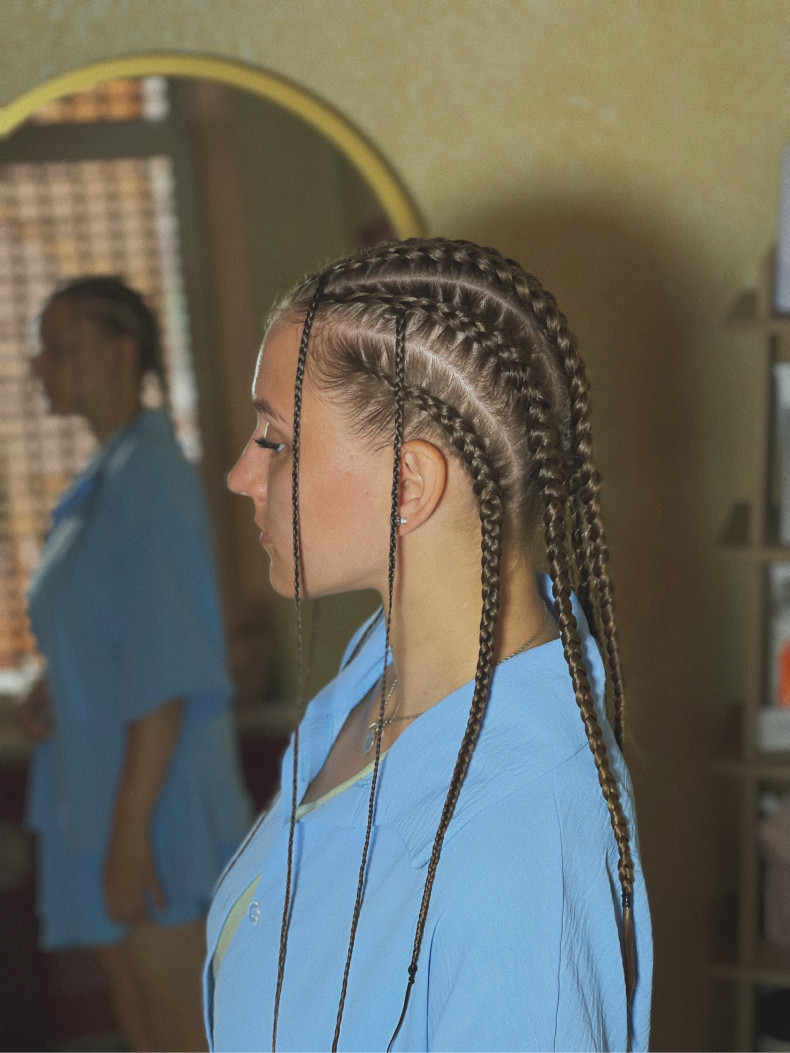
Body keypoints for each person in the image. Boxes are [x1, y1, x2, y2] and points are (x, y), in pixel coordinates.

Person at [207, 237, 653, 1052]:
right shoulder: (376, 666)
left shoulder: (519, 848)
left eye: (274, 439)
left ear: (407, 485)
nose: (242, 473)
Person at [16, 276, 254, 1052]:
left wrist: (130, 833)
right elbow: (108, 635)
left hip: (153, 808)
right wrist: (59, 684)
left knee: (184, 1029)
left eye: (60, 347)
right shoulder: (105, 480)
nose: (39, 365)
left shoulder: (152, 475)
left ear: (120, 355)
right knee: (145, 1029)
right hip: (98, 793)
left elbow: (169, 666)